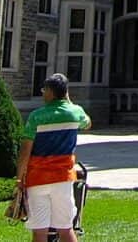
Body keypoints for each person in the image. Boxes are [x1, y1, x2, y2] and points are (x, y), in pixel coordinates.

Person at [16, 73, 91, 242]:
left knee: (39, 231)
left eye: (44, 90)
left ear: (50, 91)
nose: (43, 93)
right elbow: (87, 123)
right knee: (66, 229)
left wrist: (19, 178)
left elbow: (25, 152)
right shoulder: (75, 112)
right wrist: (69, 101)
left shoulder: (37, 116)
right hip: (63, 177)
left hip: (38, 178)